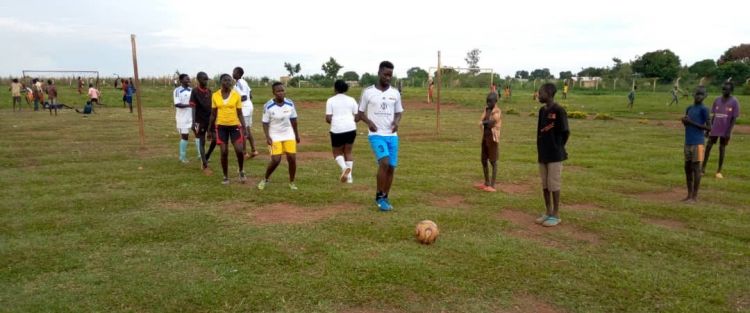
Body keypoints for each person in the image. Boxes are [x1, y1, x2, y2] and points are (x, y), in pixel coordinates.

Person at [358, 61, 403, 211]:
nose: (388, 78)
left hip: (392, 135)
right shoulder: (368, 92)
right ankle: (379, 195)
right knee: (384, 162)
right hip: (376, 134)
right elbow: (360, 113)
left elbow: (398, 112)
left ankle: (385, 197)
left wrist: (396, 122)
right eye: (385, 74)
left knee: (391, 167)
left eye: (390, 75)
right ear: (379, 73)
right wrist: (369, 122)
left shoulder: (395, 93)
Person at [534, 83, 569, 227]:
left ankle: (556, 214)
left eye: (540, 93)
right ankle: (548, 211)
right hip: (543, 153)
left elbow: (565, 132)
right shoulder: (542, 111)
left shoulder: (559, 110)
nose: (538, 95)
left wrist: (558, 146)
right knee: (545, 185)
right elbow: (539, 132)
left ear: (548, 94)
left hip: (555, 154)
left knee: (553, 184)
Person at [258, 82, 300, 190]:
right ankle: (265, 178)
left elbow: (294, 120)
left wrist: (296, 135)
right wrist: (267, 136)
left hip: (288, 133)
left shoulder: (290, 103)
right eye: (278, 91)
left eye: (282, 90)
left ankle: (292, 182)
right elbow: (265, 123)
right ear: (273, 93)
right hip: (274, 134)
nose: (281, 93)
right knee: (276, 160)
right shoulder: (268, 106)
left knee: (292, 158)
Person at [208, 74, 247, 185]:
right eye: (226, 80)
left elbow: (240, 113)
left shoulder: (236, 95)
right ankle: (225, 176)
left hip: (234, 126)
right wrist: (209, 130)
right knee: (224, 152)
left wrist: (244, 128)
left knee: (239, 150)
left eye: (230, 80)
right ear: (221, 82)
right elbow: (213, 114)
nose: (229, 82)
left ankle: (241, 171)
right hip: (221, 127)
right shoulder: (215, 95)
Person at [703, 81, 741, 178]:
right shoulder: (717, 100)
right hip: (715, 128)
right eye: (723, 89)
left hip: (725, 130)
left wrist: (729, 132)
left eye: (726, 89)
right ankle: (702, 168)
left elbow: (733, 118)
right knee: (708, 147)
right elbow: (714, 116)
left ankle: (719, 171)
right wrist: (708, 129)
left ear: (731, 90)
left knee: (722, 148)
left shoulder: (734, 101)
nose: (724, 91)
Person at [326, 79, 360, 183]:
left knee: (337, 153)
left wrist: (336, 121)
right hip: (351, 128)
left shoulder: (331, 100)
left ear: (335, 88)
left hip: (337, 129)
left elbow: (328, 118)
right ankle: (349, 178)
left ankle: (344, 168)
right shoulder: (352, 99)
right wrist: (350, 121)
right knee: (348, 152)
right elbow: (357, 116)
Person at [680, 86, 710, 202]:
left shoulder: (704, 109)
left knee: (696, 169)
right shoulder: (689, 108)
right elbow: (687, 124)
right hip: (688, 141)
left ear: (705, 96)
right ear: (693, 94)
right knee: (687, 168)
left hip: (698, 142)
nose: (699, 96)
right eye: (697, 94)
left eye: (701, 94)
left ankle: (695, 196)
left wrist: (691, 122)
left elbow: (709, 127)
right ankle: (689, 194)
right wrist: (684, 122)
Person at [190, 71, 217, 175]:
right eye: (204, 79)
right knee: (202, 142)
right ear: (199, 80)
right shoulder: (195, 91)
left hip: (210, 120)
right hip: (199, 121)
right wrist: (193, 122)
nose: (206, 81)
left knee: (215, 139)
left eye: (207, 79)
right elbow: (193, 107)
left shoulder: (210, 91)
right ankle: (205, 165)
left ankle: (207, 156)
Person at [233, 67, 259, 159]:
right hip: (248, 106)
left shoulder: (240, 82)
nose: (233, 73)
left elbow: (243, 97)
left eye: (234, 72)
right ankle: (254, 150)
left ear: (239, 74)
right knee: (247, 129)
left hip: (244, 109)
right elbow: (250, 94)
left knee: (242, 131)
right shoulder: (242, 82)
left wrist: (233, 101)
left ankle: (244, 153)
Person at [478, 92, 502, 192]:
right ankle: (486, 182)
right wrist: (484, 122)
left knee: (493, 161)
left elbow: (492, 122)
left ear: (495, 102)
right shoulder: (487, 109)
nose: (488, 103)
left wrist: (483, 122)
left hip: (493, 138)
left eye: (490, 102)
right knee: (483, 159)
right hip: (485, 137)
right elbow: (482, 119)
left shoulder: (497, 111)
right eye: (487, 101)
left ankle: (492, 185)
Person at [173, 74, 196, 164]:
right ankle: (182, 156)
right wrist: (189, 105)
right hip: (182, 118)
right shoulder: (177, 91)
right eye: (187, 79)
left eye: (189, 78)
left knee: (198, 135)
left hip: (193, 117)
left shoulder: (192, 90)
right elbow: (177, 104)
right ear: (181, 80)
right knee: (185, 137)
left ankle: (200, 155)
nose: (189, 80)